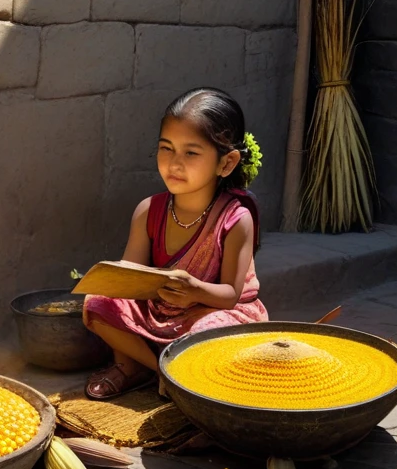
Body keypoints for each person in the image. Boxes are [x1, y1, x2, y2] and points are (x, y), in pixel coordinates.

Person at [82, 87, 268, 400]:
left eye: (191, 153)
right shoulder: (148, 211)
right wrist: (112, 278)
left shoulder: (235, 220)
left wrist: (194, 289)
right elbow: (129, 280)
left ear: (227, 163)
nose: (174, 163)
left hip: (209, 313)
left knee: (208, 334)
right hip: (158, 310)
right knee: (97, 303)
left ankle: (169, 370)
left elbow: (229, 296)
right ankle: (155, 370)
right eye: (166, 149)